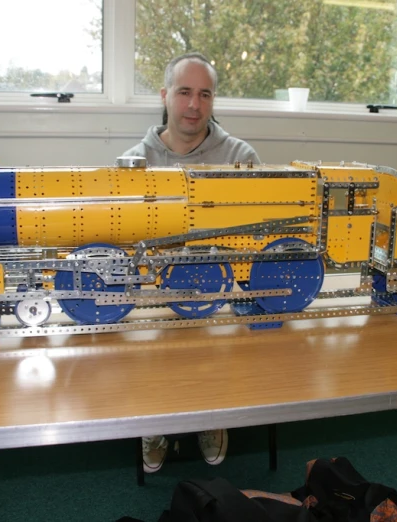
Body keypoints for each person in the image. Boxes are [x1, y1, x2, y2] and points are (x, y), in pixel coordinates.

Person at [122, 52, 260, 474]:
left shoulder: (241, 157)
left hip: (219, 291)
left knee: (224, 327)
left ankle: (212, 415)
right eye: (184, 92)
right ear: (165, 96)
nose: (194, 105)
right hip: (155, 294)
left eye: (204, 94)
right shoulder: (134, 162)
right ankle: (155, 421)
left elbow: (256, 239)